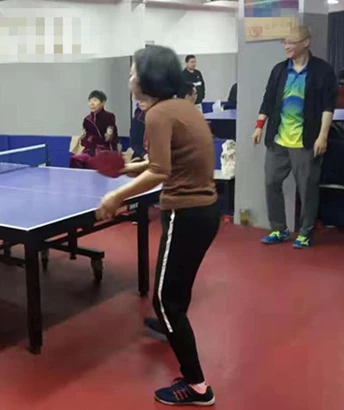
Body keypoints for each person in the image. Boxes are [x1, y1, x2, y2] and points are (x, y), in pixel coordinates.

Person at [97, 45, 219, 407]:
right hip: (205, 212)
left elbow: (160, 171)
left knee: (164, 300)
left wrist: (116, 196)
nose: (130, 76)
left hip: (185, 213)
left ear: (147, 78)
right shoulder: (182, 106)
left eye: (134, 71)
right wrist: (128, 168)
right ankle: (171, 326)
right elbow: (162, 160)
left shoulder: (157, 115)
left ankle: (197, 386)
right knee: (177, 291)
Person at [251, 25, 337, 249]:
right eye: (285, 42)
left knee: (307, 188)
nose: (287, 46)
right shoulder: (279, 70)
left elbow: (328, 106)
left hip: (306, 141)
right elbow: (268, 100)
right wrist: (259, 126)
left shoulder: (322, 71)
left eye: (291, 42)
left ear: (306, 42)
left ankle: (305, 232)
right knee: (271, 182)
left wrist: (323, 136)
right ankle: (279, 229)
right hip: (278, 139)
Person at [69, 90, 118, 168]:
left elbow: (110, 138)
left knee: (97, 161)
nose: (92, 104)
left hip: (105, 150)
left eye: (95, 100)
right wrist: (83, 138)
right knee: (75, 159)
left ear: (103, 103)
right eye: (90, 101)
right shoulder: (87, 120)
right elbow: (84, 142)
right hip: (90, 151)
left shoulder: (109, 117)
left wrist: (109, 135)